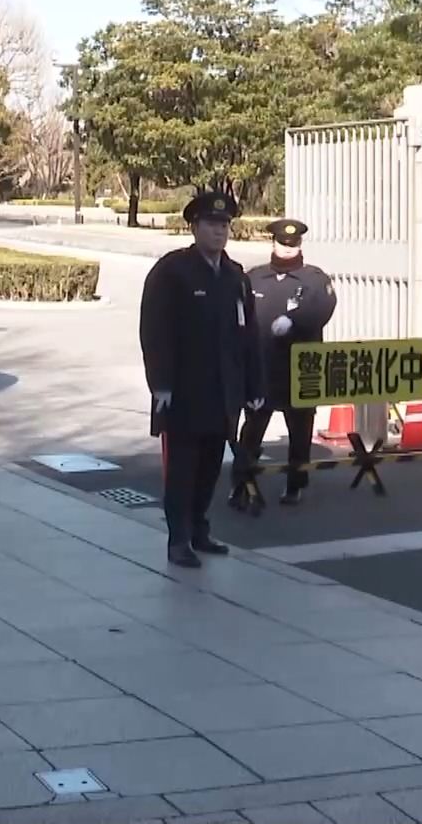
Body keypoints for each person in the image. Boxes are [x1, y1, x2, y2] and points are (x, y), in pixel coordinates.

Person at [139, 191, 266, 568]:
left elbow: (249, 335)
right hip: (184, 391)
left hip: (224, 392)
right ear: (194, 227)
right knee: (182, 469)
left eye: (225, 225)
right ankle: (178, 539)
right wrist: (160, 384)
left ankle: (199, 529)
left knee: (211, 467)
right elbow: (155, 332)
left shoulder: (235, 276)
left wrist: (255, 386)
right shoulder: (173, 271)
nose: (219, 231)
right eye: (212, 224)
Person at [229, 218, 338, 510]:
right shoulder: (254, 278)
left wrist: (295, 320)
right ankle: (241, 484)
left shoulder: (314, 279)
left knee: (300, 431)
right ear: (273, 243)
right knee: (252, 429)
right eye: (282, 243)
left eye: (293, 244)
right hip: (263, 367)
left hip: (301, 369)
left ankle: (295, 485)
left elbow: (324, 307)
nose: (288, 249)